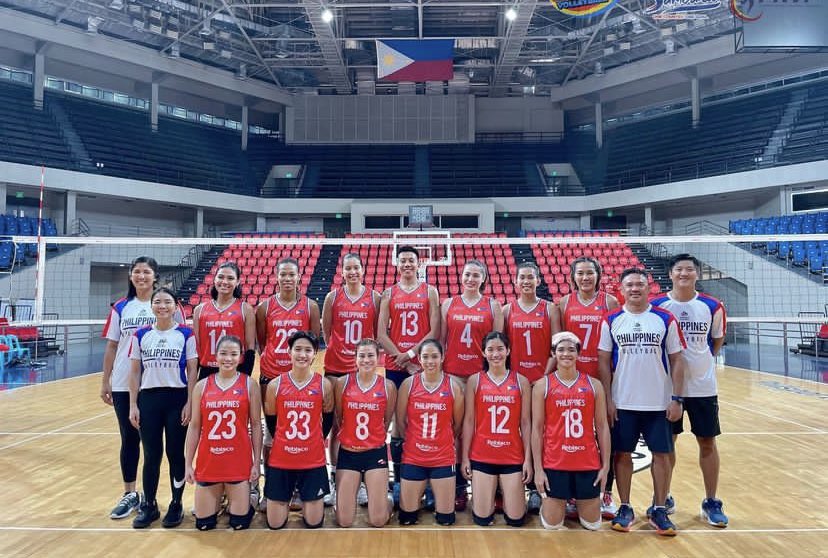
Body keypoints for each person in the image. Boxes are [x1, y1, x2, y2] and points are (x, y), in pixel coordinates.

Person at [597, 268, 686, 536]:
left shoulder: (664, 318)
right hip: (623, 401)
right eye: (630, 285)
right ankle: (625, 506)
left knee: (662, 455)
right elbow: (603, 361)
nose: (635, 289)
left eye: (640, 284)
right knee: (622, 455)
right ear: (620, 290)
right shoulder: (611, 319)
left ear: (649, 288)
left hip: (658, 403)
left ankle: (659, 508)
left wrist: (677, 399)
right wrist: (609, 399)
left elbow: (677, 359)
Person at [101, 256, 182, 520]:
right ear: (131, 276)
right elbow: (112, 345)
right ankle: (130, 494)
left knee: (158, 448)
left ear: (155, 276)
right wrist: (106, 380)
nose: (141, 276)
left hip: (160, 384)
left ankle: (159, 499)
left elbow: (182, 339)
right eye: (137, 272)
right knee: (129, 438)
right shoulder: (121, 307)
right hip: (127, 382)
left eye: (146, 272)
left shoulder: (168, 304)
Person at [651, 254, 728, 528]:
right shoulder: (657, 305)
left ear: (697, 274)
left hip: (703, 387)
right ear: (670, 274)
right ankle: (664, 497)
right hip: (667, 389)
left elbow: (716, 341)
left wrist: (699, 364)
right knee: (666, 445)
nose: (684, 273)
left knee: (707, 442)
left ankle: (711, 501)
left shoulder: (712, 305)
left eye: (689, 269)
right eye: (679, 269)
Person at [553, 256, 619, 518]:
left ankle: (606, 492)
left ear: (598, 275)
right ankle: (569, 493)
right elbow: (557, 342)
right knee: (570, 435)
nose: (585, 278)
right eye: (580, 273)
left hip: (600, 379)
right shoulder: (565, 303)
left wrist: (611, 389)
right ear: (573, 277)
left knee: (604, 434)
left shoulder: (609, 302)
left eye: (590, 273)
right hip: (571, 379)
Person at [128, 287, 198, 529]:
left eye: (167, 302)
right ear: (152, 306)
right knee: (151, 455)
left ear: (175, 306)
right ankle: (149, 505)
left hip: (177, 399)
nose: (162, 306)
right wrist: (133, 404)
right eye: (157, 302)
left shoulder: (186, 334)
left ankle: (176, 503)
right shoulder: (140, 335)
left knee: (176, 454)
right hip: (149, 400)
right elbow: (135, 372)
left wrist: (190, 401)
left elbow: (192, 372)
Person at [376, 245, 440, 505]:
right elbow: (381, 333)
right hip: (396, 368)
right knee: (398, 425)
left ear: (419, 263)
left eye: (411, 261)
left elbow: (435, 330)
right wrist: (402, 360)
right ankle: (400, 480)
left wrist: (413, 355)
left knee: (425, 421)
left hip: (423, 365)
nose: (407, 265)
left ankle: (430, 481)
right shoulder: (388, 293)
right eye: (402, 261)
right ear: (396, 263)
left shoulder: (430, 292)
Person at [256, 257, 321, 504]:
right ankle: (271, 484)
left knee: (297, 431)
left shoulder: (310, 306)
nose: (286, 279)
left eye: (291, 275)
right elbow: (263, 341)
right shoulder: (265, 307)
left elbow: (313, 341)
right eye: (282, 274)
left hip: (300, 377)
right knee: (271, 434)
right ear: (276, 276)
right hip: (271, 375)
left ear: (299, 277)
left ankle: (297, 486)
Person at [532, 332, 611, 531]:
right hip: (555, 462)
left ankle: (575, 500)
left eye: (571, 350)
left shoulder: (594, 385)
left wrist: (605, 466)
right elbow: (536, 428)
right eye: (561, 350)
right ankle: (556, 502)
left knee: (592, 524)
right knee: (552, 525)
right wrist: (538, 469)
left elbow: (602, 427)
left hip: (587, 462)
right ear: (553, 354)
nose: (566, 354)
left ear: (578, 354)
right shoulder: (543, 386)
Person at [441, 259, 503, 511]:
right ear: (461, 276)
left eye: (476, 275)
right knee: (454, 431)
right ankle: (457, 487)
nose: (471, 279)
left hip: (481, 376)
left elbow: (498, 345)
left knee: (484, 430)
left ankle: (490, 485)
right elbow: (441, 341)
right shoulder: (449, 303)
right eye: (467, 274)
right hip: (454, 374)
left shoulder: (493, 305)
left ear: (483, 278)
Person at [184, 335, 262, 531]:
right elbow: (194, 427)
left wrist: (256, 463)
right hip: (209, 462)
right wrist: (188, 464)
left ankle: (249, 495)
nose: (228, 359)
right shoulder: (201, 386)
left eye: (234, 354)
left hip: (238, 462)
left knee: (239, 524)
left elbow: (256, 425)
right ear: (215, 356)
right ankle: (221, 498)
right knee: (204, 525)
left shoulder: (249, 385)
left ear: (241, 357)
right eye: (224, 354)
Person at [322, 253, 380, 506]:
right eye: (348, 268)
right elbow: (327, 331)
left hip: (362, 370)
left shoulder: (374, 298)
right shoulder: (332, 297)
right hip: (335, 368)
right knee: (337, 425)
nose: (352, 271)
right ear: (342, 272)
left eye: (356, 267)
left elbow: (376, 333)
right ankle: (337, 479)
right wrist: (337, 350)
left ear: (363, 270)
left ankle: (364, 481)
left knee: (362, 423)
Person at [262, 331, 334, 529]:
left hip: (313, 459)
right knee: (275, 523)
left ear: (315, 354)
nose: (302, 355)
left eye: (308, 350)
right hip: (282, 458)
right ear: (289, 351)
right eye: (298, 349)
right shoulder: (275, 385)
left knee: (313, 522)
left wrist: (314, 440)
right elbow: (271, 421)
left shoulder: (324, 385)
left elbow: (328, 420)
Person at [460, 332, 531, 527]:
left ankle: (506, 499)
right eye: (490, 349)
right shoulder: (475, 381)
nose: (495, 354)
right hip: (483, 455)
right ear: (483, 353)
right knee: (482, 519)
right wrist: (465, 457)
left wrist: (528, 460)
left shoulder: (521, 381)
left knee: (516, 520)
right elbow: (468, 421)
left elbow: (525, 423)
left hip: (512, 456)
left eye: (500, 349)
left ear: (508, 351)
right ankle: (493, 498)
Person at [502, 261, 554, 514]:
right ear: (515, 281)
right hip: (515, 382)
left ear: (538, 281)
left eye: (530, 278)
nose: (525, 281)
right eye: (521, 277)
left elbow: (556, 348)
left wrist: (543, 378)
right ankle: (509, 482)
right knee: (513, 431)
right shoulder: (506, 310)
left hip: (541, 381)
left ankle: (537, 486)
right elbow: (500, 348)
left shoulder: (550, 309)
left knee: (539, 432)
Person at [396, 340, 464, 526]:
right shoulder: (409, 385)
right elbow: (401, 422)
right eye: (425, 357)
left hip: (442, 458)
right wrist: (413, 442)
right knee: (407, 519)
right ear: (419, 359)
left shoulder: (453, 387)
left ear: (442, 357)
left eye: (434, 356)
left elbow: (457, 425)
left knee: (446, 520)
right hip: (413, 457)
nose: (430, 361)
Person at [333, 338, 397, 528]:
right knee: (344, 521)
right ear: (355, 358)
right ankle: (343, 498)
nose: (366, 360)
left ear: (379, 358)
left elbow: (386, 421)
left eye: (371, 355)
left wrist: (371, 439)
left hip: (374, 454)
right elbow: (339, 417)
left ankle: (388, 498)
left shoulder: (388, 387)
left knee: (378, 521)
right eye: (362, 355)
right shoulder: (342, 383)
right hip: (348, 454)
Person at [192, 262, 257, 381]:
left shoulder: (245, 309)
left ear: (237, 282)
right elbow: (195, 348)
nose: (225, 282)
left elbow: (250, 349)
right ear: (214, 279)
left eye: (230, 278)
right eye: (221, 277)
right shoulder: (199, 310)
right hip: (207, 370)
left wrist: (245, 378)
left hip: (235, 370)